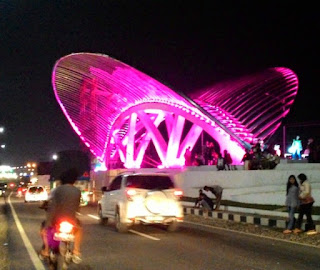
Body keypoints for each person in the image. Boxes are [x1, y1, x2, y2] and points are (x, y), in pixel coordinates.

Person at [40, 168, 83, 263]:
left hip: (56, 219)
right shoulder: (77, 191)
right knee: (79, 228)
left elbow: (50, 203)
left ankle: (46, 250)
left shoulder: (56, 190)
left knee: (44, 229)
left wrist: (44, 207)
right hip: (71, 220)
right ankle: (76, 251)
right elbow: (77, 207)